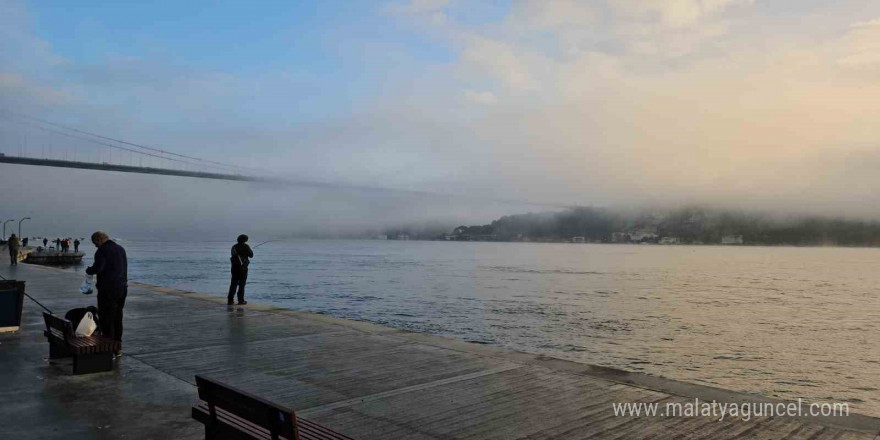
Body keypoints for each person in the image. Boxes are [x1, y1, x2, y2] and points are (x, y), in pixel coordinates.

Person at [85, 231, 127, 357]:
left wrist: (89, 270)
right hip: (122, 288)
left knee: (106, 318)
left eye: (95, 243)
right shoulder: (121, 249)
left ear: (99, 240)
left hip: (107, 289)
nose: (95, 246)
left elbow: (99, 268)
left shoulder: (102, 251)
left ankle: (108, 347)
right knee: (118, 317)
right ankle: (118, 346)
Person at [228, 234, 254, 305]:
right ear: (245, 240)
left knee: (233, 284)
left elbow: (233, 256)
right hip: (243, 268)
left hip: (234, 268)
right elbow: (251, 255)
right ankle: (240, 300)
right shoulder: (246, 246)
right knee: (242, 285)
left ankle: (230, 300)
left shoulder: (234, 247)